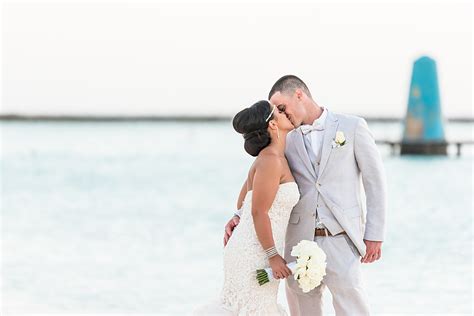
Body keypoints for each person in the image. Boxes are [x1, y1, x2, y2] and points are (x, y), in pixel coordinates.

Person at [224, 75, 387, 316]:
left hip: (342, 238)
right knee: (302, 311)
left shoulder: (352, 127)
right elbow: (259, 179)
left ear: (299, 94)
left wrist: (374, 234)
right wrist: (239, 215)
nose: (280, 115)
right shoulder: (284, 136)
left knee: (353, 309)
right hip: (297, 241)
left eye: (281, 107)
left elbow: (375, 182)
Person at [193, 100, 300, 315]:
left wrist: (235, 217)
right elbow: (258, 211)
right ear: (272, 125)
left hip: (252, 249)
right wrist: (273, 255)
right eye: (278, 111)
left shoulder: (272, 158)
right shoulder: (270, 160)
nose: (284, 111)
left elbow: (243, 201)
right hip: (255, 255)